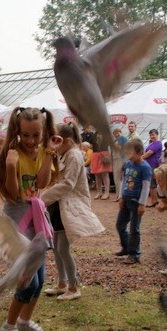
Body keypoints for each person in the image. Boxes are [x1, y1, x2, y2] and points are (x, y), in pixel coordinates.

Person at [0, 106, 61, 331]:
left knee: (40, 279)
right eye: (26, 135)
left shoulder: (44, 151)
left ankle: (24, 322)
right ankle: (9, 327)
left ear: (44, 132)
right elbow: (12, 194)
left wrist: (49, 153)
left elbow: (42, 183)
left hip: (36, 216)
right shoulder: (11, 154)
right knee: (28, 280)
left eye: (36, 135)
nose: (31, 141)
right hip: (17, 218)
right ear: (17, 131)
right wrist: (12, 167)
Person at [41, 122, 104, 300]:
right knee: (56, 246)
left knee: (63, 248)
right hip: (57, 204)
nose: (53, 144)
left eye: (57, 140)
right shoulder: (64, 154)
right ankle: (62, 283)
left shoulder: (74, 155)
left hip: (68, 205)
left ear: (67, 141)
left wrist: (43, 198)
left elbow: (68, 183)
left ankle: (74, 287)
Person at [113, 138, 152, 264]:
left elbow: (146, 186)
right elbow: (123, 180)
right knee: (120, 225)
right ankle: (126, 247)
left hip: (136, 202)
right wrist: (121, 197)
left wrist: (142, 204)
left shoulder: (145, 168)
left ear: (140, 152)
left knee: (134, 229)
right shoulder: (128, 164)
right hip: (126, 199)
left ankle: (134, 254)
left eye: (130, 153)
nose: (128, 156)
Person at [142, 128, 163, 206]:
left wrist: (140, 158)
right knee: (151, 183)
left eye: (153, 135)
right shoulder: (152, 143)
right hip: (149, 164)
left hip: (153, 164)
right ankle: (154, 200)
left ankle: (154, 201)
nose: (152, 136)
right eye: (150, 135)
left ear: (157, 135)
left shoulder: (157, 143)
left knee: (152, 184)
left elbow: (149, 153)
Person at [90, 131, 111, 199]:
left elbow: (109, 145)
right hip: (95, 154)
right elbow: (91, 145)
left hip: (104, 154)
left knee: (105, 174)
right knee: (97, 175)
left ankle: (107, 192)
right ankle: (99, 192)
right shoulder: (94, 134)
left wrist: (109, 156)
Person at [109, 127, 127, 202]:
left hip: (120, 159)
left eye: (118, 132)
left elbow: (121, 148)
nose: (117, 134)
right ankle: (118, 195)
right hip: (115, 159)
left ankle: (120, 196)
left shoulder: (122, 139)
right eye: (115, 133)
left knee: (119, 178)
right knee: (116, 178)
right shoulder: (115, 140)